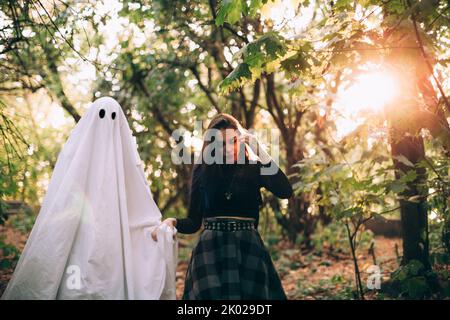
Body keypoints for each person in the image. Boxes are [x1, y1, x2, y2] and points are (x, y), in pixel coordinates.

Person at [2, 97, 177, 300]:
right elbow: (61, 204)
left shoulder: (128, 167)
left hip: (116, 257)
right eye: (102, 115)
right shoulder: (75, 159)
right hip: (76, 249)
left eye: (113, 117)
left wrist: (159, 231)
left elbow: (140, 213)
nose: (107, 123)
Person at [153, 113, 292, 299]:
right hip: (210, 251)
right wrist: (174, 222)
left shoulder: (254, 167)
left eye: (233, 141)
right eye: (221, 144)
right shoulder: (202, 171)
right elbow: (194, 222)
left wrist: (259, 150)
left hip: (248, 247)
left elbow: (285, 191)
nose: (228, 149)